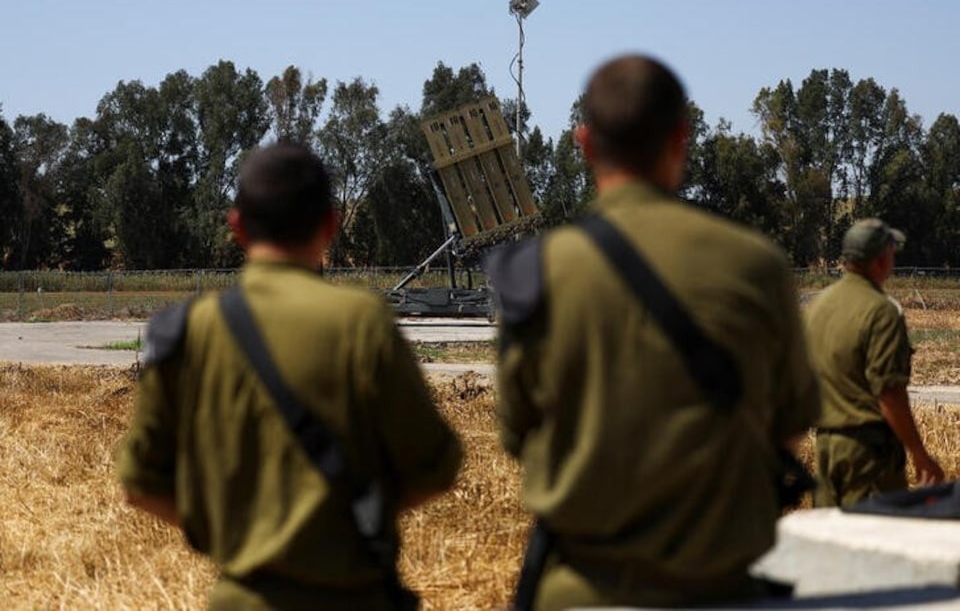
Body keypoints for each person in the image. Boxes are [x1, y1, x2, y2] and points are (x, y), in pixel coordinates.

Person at [486, 54, 820, 610]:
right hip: (721, 592)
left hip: (580, 592)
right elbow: (787, 427)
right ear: (681, 137)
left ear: (584, 143)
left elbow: (519, 434)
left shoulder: (537, 271)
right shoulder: (756, 265)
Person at [116, 143, 462, 610]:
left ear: (237, 227)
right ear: (330, 225)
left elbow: (139, 483)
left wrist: (229, 531)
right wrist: (352, 518)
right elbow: (436, 467)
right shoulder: (362, 323)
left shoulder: (188, 332)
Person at [806, 218, 944, 507]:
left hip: (826, 446)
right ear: (881, 261)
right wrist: (919, 453)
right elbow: (889, 393)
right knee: (872, 530)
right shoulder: (881, 312)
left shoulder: (818, 307)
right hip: (867, 453)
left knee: (829, 532)